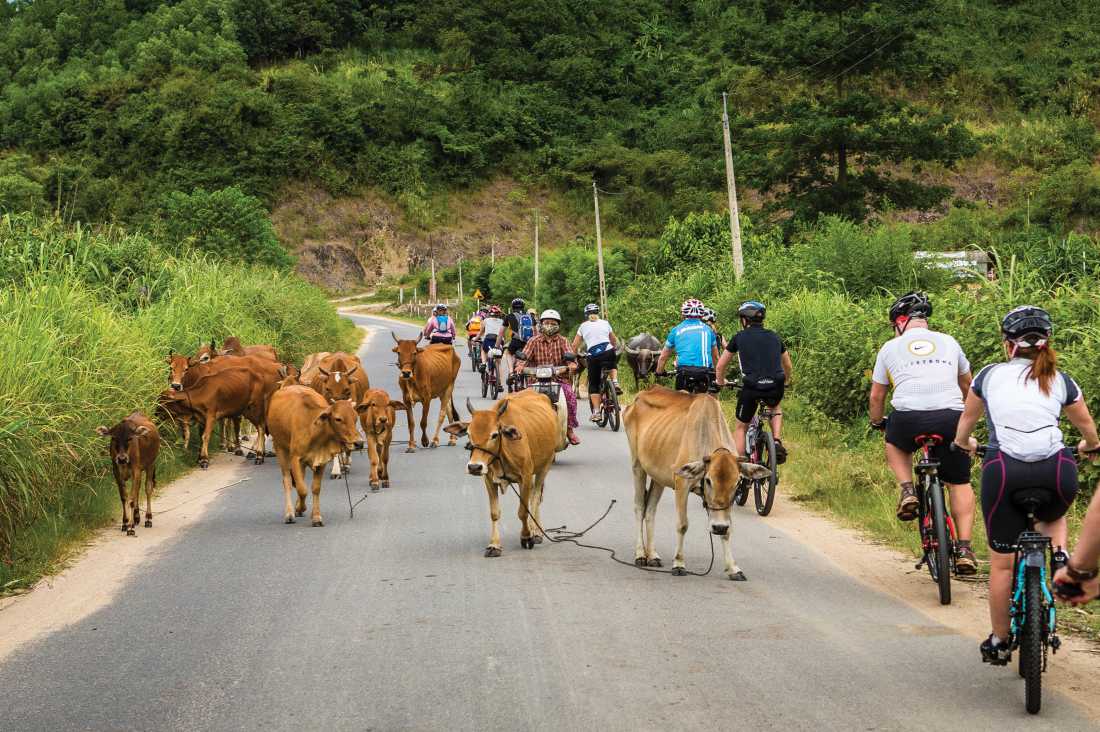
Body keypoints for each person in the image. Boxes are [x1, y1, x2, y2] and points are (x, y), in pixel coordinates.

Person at [953, 305, 1100, 664]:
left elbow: (966, 426)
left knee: (1002, 565)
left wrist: (964, 445)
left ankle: (1001, 640)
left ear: (1008, 346)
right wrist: (1089, 448)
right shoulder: (1062, 380)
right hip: (1057, 469)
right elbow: (1088, 431)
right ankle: (1060, 556)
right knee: (1055, 511)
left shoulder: (987, 376)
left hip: (1005, 470)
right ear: (1047, 344)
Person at [869, 292, 978, 574]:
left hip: (907, 418)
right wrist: (966, 422)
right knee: (959, 482)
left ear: (901, 322)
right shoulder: (949, 341)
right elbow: (969, 385)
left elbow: (877, 395)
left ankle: (907, 490)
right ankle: (964, 548)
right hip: (950, 417)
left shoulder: (890, 347)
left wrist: (877, 422)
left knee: (894, 442)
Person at [715, 300, 792, 463]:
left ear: (744, 320)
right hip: (775, 384)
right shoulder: (774, 336)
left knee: (741, 427)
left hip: (752, 386)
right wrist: (786, 381)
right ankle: (776, 441)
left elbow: (721, 365)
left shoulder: (739, 337)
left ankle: (741, 468)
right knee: (775, 407)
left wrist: (720, 382)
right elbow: (787, 364)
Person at [513, 309, 581, 445]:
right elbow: (524, 356)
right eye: (546, 322)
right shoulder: (533, 341)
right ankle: (526, 429)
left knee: (570, 397)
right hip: (536, 380)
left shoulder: (563, 341)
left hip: (559, 380)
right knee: (522, 402)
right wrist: (520, 366)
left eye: (552, 323)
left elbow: (570, 359)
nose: (549, 325)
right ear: (541, 324)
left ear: (558, 325)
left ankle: (569, 429)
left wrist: (571, 365)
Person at [655, 298, 718, 393]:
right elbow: (716, 357)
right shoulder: (708, 330)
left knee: (680, 404)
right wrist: (717, 374)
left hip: (683, 372)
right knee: (707, 400)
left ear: (683, 314)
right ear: (701, 314)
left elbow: (663, 357)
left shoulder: (676, 330)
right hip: (704, 372)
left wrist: (659, 371)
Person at [572, 303, 621, 422]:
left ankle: (597, 412)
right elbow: (613, 340)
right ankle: (615, 383)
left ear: (586, 315)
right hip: (607, 351)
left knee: (593, 384)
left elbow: (574, 345)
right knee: (612, 364)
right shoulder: (605, 323)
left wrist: (573, 357)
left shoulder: (583, 326)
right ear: (597, 313)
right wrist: (614, 348)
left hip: (593, 355)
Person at [504, 298, 537, 390]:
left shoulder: (509, 316)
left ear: (512, 307)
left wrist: (497, 345)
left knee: (509, 353)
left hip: (515, 342)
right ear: (523, 306)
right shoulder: (531, 317)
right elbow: (535, 333)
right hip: (528, 343)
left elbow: (501, 333)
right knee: (529, 359)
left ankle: (511, 372)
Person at [478, 305, 506, 376]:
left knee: (483, 350)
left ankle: (484, 364)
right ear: (499, 314)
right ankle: (499, 384)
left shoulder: (485, 321)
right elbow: (503, 335)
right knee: (498, 362)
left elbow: (481, 333)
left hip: (488, 340)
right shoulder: (502, 321)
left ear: (489, 314)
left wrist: (475, 338)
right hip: (499, 342)